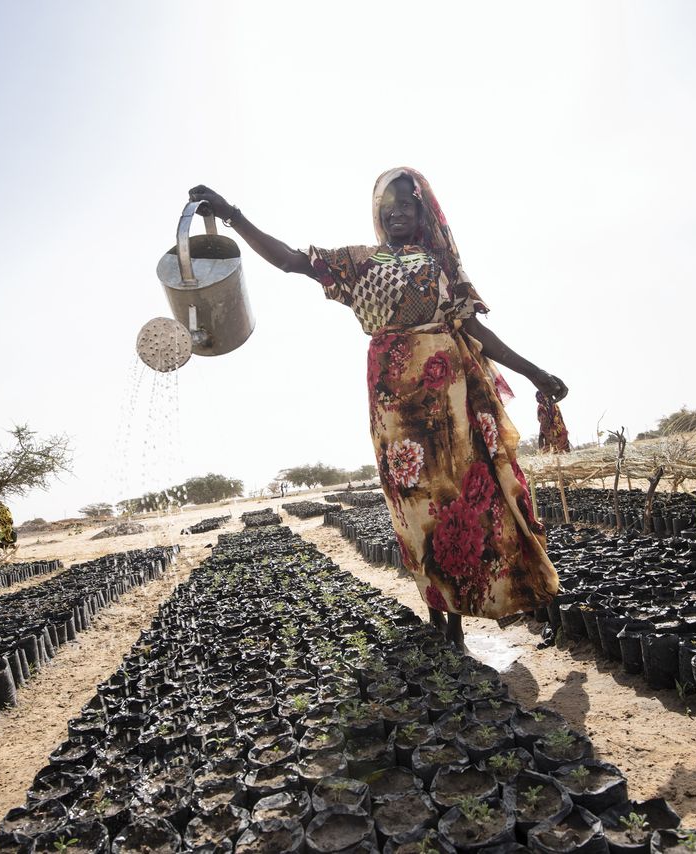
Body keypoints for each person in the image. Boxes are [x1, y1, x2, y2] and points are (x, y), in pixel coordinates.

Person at [189, 169, 566, 648]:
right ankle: (442, 622)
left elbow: (477, 332)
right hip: (397, 409)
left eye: (407, 203)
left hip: (451, 402)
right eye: (388, 203)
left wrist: (536, 373)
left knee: (469, 497)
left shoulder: (442, 265)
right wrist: (232, 215)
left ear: (422, 209)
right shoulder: (358, 263)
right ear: (377, 211)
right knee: (415, 508)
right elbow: (290, 261)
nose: (397, 211)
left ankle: (506, 605)